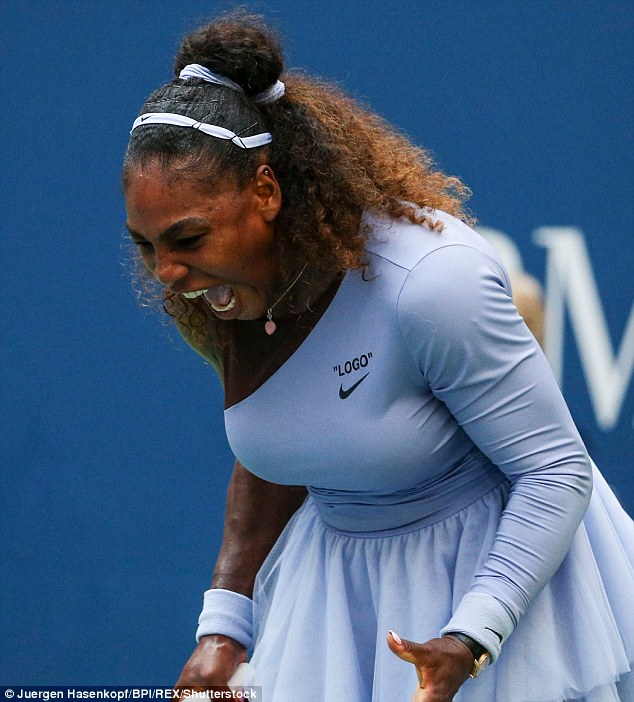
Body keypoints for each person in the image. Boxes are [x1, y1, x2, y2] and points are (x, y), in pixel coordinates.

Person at [122, 12, 634, 701]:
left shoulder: (431, 283)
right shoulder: (218, 290)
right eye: (146, 244)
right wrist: (223, 633)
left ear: (265, 192)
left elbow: (554, 471)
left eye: (185, 240)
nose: (164, 272)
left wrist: (471, 636)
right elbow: (289, 439)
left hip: (504, 595)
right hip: (336, 603)